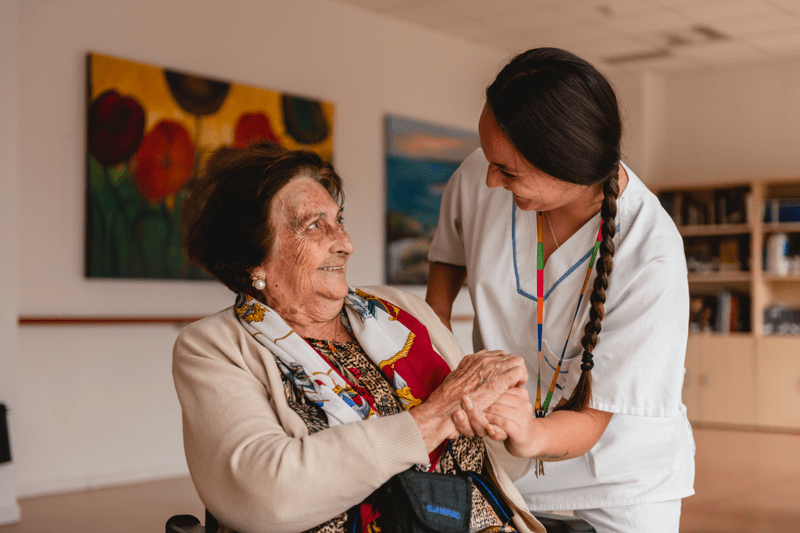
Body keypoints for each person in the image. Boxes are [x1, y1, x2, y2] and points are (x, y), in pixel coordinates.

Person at [172, 141, 547, 533]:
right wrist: (433, 417)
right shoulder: (212, 347)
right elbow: (264, 496)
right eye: (314, 225)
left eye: (339, 220)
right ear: (254, 257)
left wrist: (514, 432)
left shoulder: (401, 311)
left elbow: (492, 467)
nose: (345, 244)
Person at [426, 47, 695, 533]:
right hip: (509, 454)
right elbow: (449, 254)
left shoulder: (650, 254)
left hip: (621, 475)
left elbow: (593, 421)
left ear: (570, 165)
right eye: (490, 160)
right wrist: (434, 334)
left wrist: (529, 432)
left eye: (507, 170)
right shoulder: (482, 175)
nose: (490, 177)